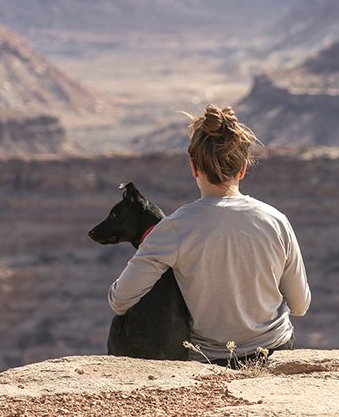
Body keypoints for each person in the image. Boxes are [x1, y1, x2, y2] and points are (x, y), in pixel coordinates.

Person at [108, 104, 311, 363]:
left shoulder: (173, 229)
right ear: (243, 168)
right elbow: (300, 306)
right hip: (274, 351)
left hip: (211, 360)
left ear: (193, 167)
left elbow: (119, 300)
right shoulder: (276, 221)